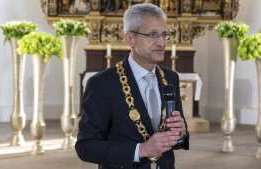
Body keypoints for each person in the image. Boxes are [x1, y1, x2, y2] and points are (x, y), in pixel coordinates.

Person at [75, 3, 189, 169]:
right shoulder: (101, 84)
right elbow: (85, 147)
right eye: (153, 35)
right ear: (130, 39)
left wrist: (181, 133)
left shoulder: (171, 78)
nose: (162, 43)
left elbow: (177, 138)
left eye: (164, 35)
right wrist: (141, 150)